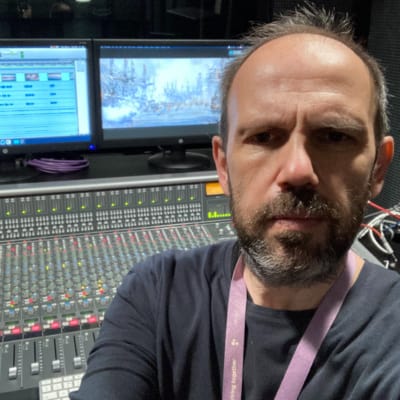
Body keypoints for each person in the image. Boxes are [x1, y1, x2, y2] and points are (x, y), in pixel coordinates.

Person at [70, 3, 399, 400]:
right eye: (263, 137)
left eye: (334, 136)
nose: (298, 170)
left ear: (378, 168)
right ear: (223, 166)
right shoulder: (155, 293)